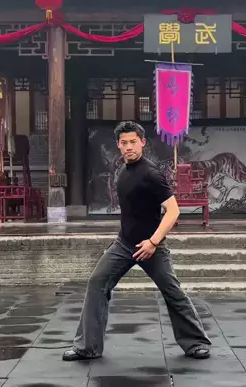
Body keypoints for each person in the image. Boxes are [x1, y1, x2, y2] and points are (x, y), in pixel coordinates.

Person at [62, 121, 211, 361]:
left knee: (172, 291)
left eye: (133, 142)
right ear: (118, 145)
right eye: (124, 143)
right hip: (123, 244)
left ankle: (196, 343)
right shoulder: (122, 170)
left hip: (152, 247)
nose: (129, 147)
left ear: (142, 142)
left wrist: (153, 242)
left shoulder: (151, 174)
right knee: (97, 283)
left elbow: (173, 211)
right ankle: (88, 347)